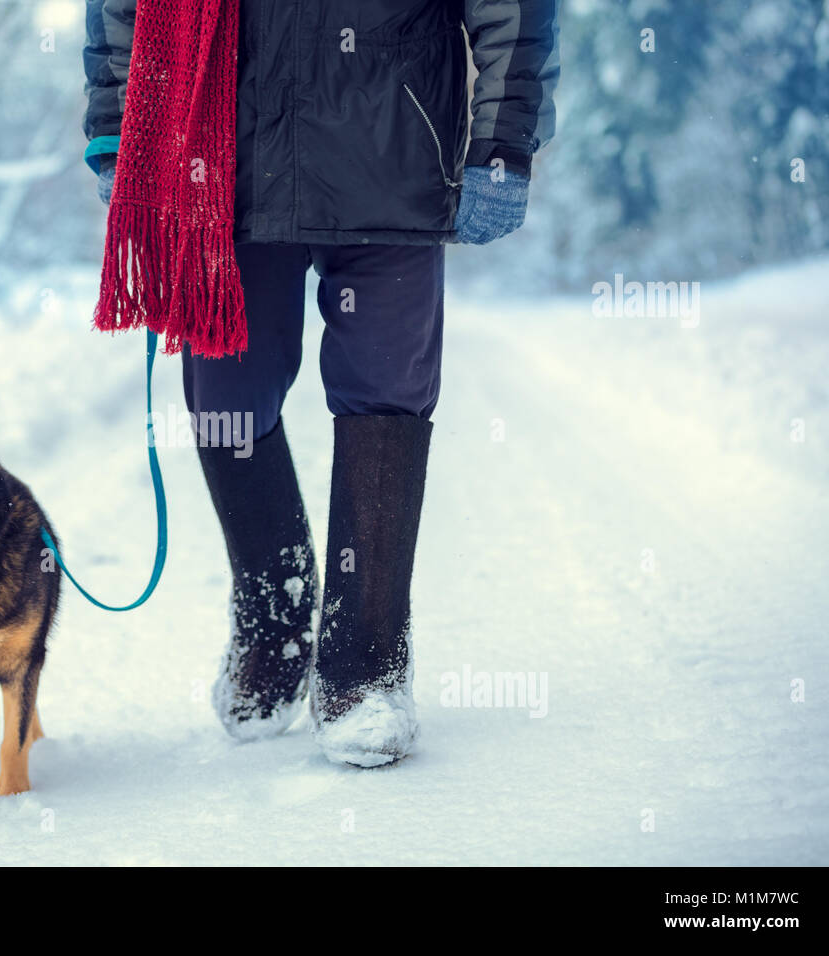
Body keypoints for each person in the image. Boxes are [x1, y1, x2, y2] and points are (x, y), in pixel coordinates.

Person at [82, 0, 559, 767]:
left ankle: (366, 670)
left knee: (386, 394)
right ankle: (276, 615)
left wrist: (502, 139)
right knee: (225, 401)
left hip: (395, 154)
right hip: (223, 160)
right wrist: (117, 126)